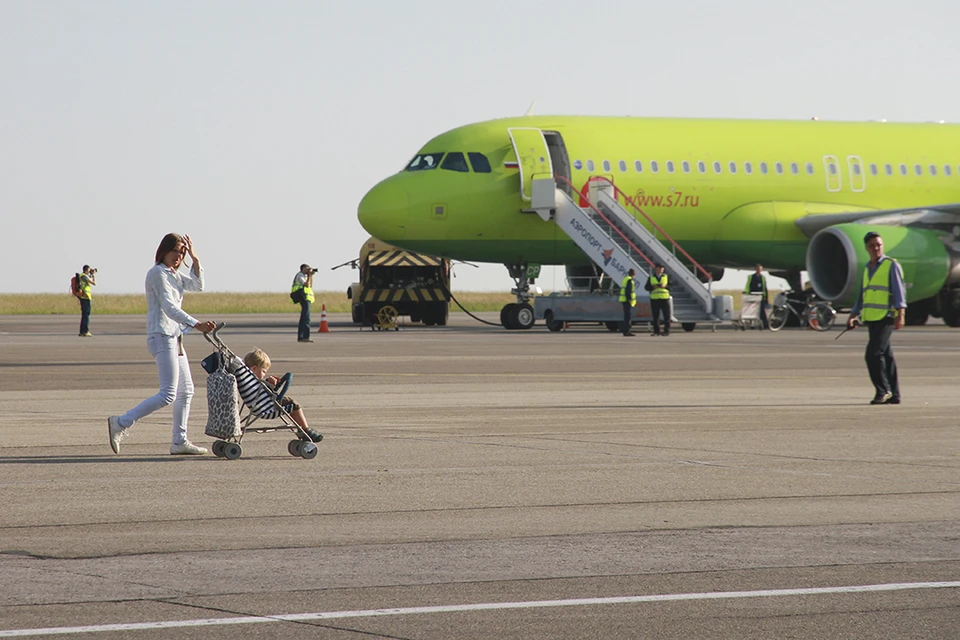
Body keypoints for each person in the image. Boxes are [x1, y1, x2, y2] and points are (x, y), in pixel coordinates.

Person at [107, 233, 217, 455]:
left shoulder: (174, 274)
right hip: (161, 335)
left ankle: (179, 441)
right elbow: (169, 307)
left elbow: (198, 285)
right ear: (164, 251)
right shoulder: (157, 273)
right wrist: (197, 324)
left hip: (175, 336)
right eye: (176, 251)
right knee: (168, 394)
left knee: (186, 391)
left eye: (182, 252)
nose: (179, 256)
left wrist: (195, 259)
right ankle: (121, 422)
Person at [846, 231, 906, 405]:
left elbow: (898, 292)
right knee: (886, 357)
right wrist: (853, 314)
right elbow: (862, 294)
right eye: (872, 245)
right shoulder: (867, 267)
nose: (876, 248)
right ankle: (895, 394)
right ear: (866, 248)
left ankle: (883, 390)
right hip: (871, 317)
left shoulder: (891, 265)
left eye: (879, 245)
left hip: (886, 316)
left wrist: (900, 315)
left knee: (872, 354)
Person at [229, 348, 324, 442]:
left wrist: (269, 384)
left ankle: (303, 430)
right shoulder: (252, 380)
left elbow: (258, 391)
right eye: (263, 371)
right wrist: (270, 385)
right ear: (254, 368)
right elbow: (261, 393)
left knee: (287, 402)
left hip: (258, 406)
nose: (264, 375)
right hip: (266, 409)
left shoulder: (247, 379)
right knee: (293, 404)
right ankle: (305, 430)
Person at [292, 264, 316, 343]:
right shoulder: (300, 276)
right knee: (306, 318)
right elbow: (306, 284)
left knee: (305, 318)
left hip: (307, 298)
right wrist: (309, 275)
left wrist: (311, 276)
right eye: (307, 268)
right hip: (303, 298)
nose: (308, 270)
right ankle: (304, 337)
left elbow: (310, 286)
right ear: (303, 268)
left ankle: (303, 336)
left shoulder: (304, 276)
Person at [645, 263, 671, 336]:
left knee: (667, 316)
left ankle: (666, 331)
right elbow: (646, 287)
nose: (662, 270)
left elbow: (671, 286)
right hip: (655, 299)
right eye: (660, 268)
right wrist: (653, 287)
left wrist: (665, 286)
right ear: (656, 268)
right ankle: (656, 331)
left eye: (662, 268)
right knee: (655, 316)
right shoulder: (651, 277)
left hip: (664, 298)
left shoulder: (666, 277)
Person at [743, 264, 769, 329]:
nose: (759, 270)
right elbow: (748, 285)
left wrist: (765, 296)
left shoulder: (763, 277)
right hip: (752, 295)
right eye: (758, 269)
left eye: (760, 269)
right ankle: (752, 323)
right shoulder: (751, 277)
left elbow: (765, 288)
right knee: (752, 310)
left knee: (762, 310)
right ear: (756, 269)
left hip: (760, 295)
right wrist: (746, 292)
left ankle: (765, 324)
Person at [78, 265, 96, 337]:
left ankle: (82, 331)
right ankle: (85, 331)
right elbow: (93, 283)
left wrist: (91, 275)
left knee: (84, 315)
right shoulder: (83, 276)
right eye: (89, 270)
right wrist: (92, 275)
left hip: (84, 297)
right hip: (85, 297)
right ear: (86, 270)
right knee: (86, 315)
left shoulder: (83, 276)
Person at [619, 268, 637, 336]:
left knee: (626, 316)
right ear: (634, 274)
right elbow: (628, 290)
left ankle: (625, 330)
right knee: (628, 316)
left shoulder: (625, 278)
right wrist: (629, 298)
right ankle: (627, 331)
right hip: (627, 300)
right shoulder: (630, 280)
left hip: (624, 299)